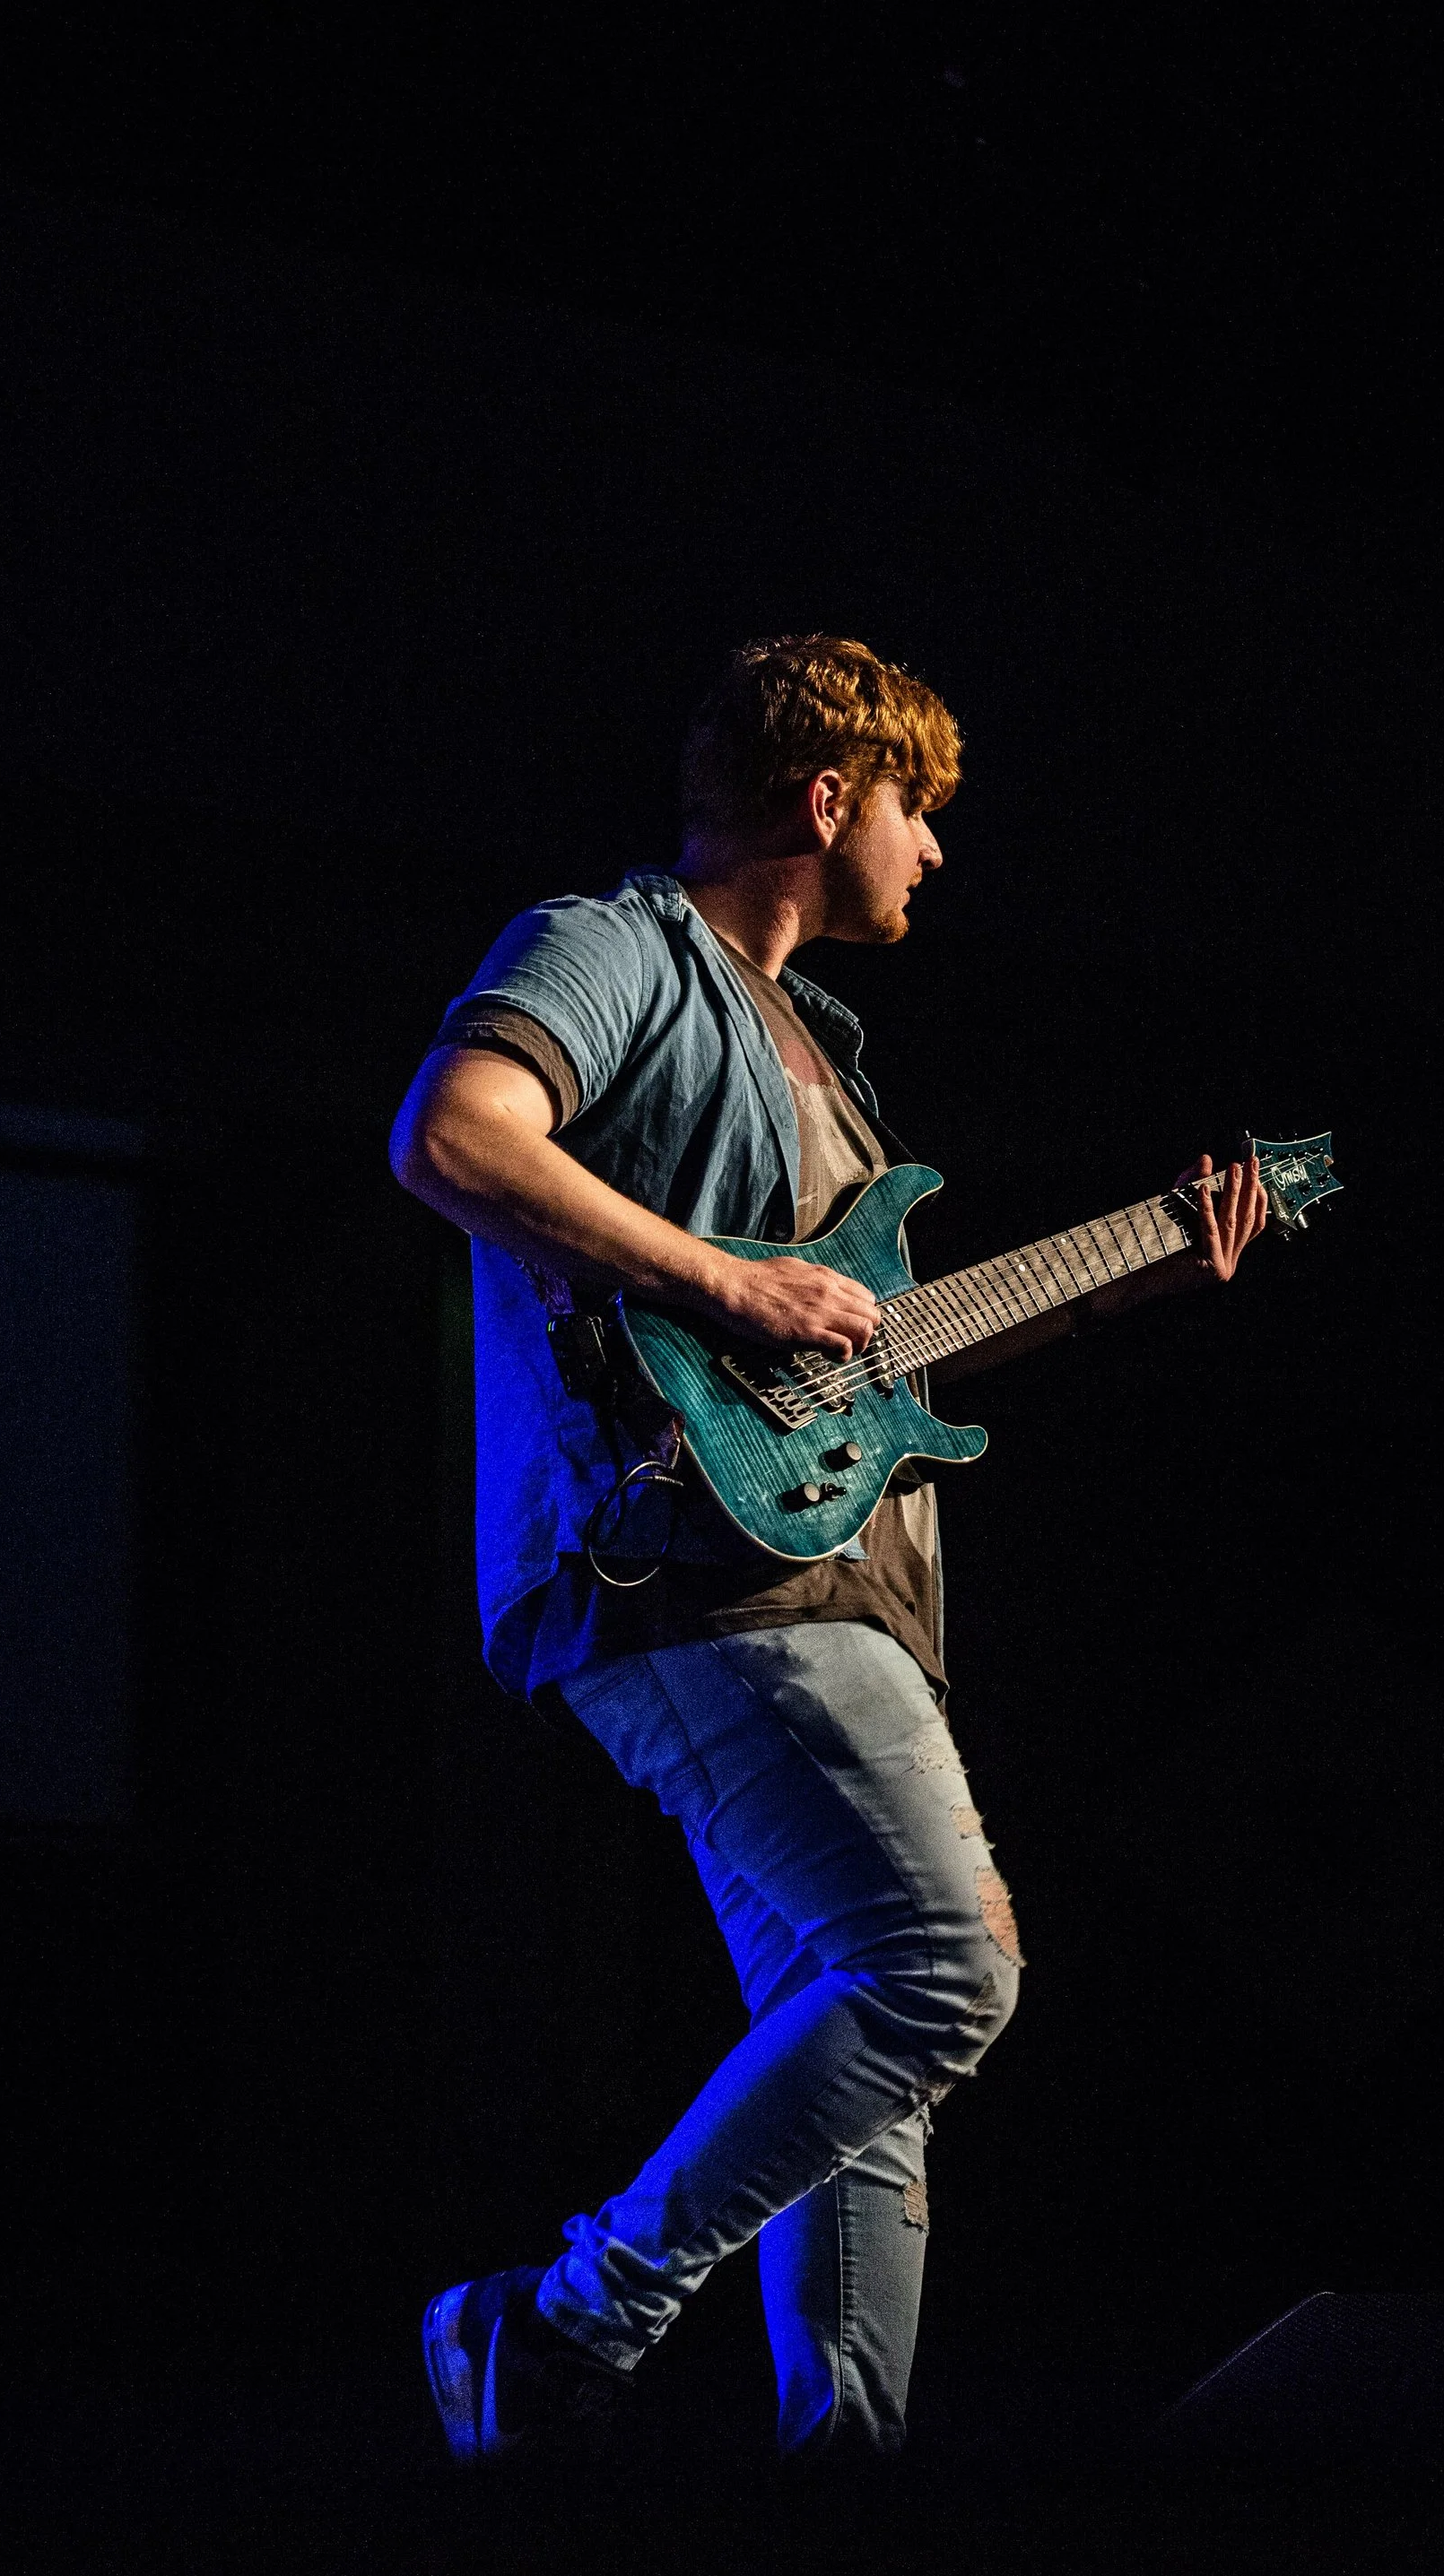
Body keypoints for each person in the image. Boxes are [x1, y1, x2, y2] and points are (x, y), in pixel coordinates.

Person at [390, 632, 1268, 2468]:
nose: (932, 849)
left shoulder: (825, 1055)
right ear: (826, 794)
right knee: (951, 1969)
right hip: (690, 1565)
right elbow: (456, 1136)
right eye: (916, 809)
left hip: (811, 1568)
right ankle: (563, 2317)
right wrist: (730, 1281)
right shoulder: (620, 948)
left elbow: (862, 1361)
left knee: (860, 2034)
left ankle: (842, 2473)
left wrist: (1139, 1273)